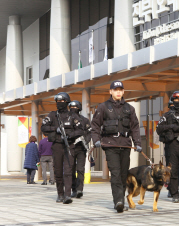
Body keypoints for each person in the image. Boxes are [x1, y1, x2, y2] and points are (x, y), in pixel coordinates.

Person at [91, 80, 142, 213]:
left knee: (124, 174)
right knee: (115, 173)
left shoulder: (129, 108)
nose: (118, 92)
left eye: (120, 90)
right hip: (110, 144)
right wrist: (96, 140)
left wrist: (138, 143)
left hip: (125, 145)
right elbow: (95, 125)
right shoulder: (103, 107)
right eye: (115, 90)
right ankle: (118, 201)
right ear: (111, 91)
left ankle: (121, 200)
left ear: (123, 92)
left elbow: (135, 128)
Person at [41, 92, 84, 204]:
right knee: (58, 171)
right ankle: (60, 194)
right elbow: (43, 127)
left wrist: (70, 135)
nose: (60, 103)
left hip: (69, 145)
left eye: (62, 101)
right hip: (57, 146)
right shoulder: (52, 115)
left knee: (68, 171)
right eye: (58, 101)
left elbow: (80, 130)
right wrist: (56, 129)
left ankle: (67, 195)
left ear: (67, 102)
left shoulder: (73, 116)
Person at [69, 100, 91, 199]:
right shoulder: (67, 119)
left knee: (80, 169)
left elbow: (89, 132)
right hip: (71, 147)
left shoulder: (85, 120)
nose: (73, 109)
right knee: (71, 169)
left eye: (75, 107)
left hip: (81, 148)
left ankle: (79, 190)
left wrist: (86, 141)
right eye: (71, 107)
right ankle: (73, 189)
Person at [162, 100, 179, 199]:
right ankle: (171, 189)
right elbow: (160, 130)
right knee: (171, 168)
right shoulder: (166, 117)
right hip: (169, 145)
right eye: (171, 106)